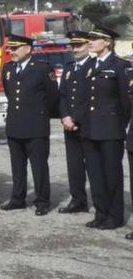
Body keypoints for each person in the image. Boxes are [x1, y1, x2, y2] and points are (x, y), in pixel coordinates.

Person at [0, 34, 58, 216]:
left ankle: (42, 200)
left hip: (35, 126)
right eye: (11, 48)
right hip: (15, 124)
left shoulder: (42, 68)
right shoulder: (8, 68)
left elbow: (52, 97)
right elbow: (11, 94)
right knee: (17, 166)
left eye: (16, 48)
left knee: (39, 166)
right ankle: (18, 198)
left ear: (28, 49)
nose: (12, 52)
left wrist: (38, 113)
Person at [80, 27, 129, 231]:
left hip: (110, 130)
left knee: (112, 174)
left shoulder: (119, 66)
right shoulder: (90, 65)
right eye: (90, 39)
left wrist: (119, 125)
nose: (90, 42)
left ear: (107, 42)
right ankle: (101, 213)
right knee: (95, 174)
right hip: (90, 129)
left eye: (95, 39)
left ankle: (115, 215)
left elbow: (126, 102)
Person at [56, 31, 91, 214]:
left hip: (88, 125)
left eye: (79, 45)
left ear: (88, 45)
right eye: (73, 45)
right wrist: (65, 116)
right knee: (74, 166)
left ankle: (102, 203)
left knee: (94, 167)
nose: (75, 49)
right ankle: (78, 200)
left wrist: (74, 117)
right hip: (69, 125)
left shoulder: (94, 66)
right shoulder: (70, 67)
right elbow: (63, 95)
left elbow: (90, 98)